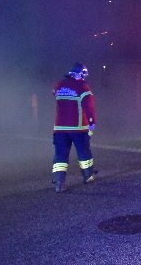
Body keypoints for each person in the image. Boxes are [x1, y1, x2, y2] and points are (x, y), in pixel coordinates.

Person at [51, 62, 97, 192]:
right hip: (78, 128)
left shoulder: (59, 85)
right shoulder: (83, 88)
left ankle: (59, 183)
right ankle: (87, 176)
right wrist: (92, 122)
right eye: (82, 74)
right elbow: (89, 107)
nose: (83, 77)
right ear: (76, 74)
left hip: (60, 128)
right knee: (84, 153)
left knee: (60, 156)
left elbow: (54, 94)